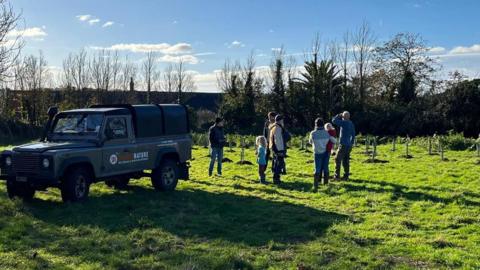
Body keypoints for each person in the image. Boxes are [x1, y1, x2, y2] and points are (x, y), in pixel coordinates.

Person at [309, 118, 337, 191]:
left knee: (317, 168)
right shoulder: (326, 133)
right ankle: (326, 183)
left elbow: (310, 142)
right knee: (325, 167)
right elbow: (334, 141)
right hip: (325, 152)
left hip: (317, 152)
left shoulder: (313, 133)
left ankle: (315, 185)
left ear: (316, 124)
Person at [332, 111, 356, 180]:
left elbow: (334, 120)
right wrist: (351, 143)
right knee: (346, 161)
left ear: (344, 117)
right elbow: (353, 134)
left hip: (343, 145)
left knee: (337, 159)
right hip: (349, 145)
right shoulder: (351, 123)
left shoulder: (344, 123)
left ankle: (337, 176)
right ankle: (346, 176)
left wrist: (339, 115)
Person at [269, 114, 286, 184]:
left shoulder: (273, 127)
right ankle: (276, 179)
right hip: (278, 148)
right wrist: (280, 151)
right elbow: (278, 140)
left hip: (274, 147)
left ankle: (276, 178)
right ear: (280, 120)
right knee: (279, 164)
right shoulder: (278, 128)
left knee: (276, 163)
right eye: (282, 120)